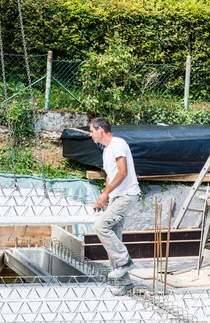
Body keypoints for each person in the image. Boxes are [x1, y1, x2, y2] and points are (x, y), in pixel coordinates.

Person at [89, 117, 140, 296]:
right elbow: (110, 176)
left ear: (100, 130)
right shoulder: (106, 150)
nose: (90, 134)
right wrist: (104, 196)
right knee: (113, 238)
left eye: (92, 131)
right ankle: (125, 284)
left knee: (101, 226)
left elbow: (123, 171)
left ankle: (125, 262)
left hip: (127, 195)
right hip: (117, 197)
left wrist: (105, 193)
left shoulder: (118, 143)